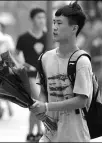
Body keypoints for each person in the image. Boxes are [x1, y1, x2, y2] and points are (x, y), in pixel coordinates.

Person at [30, 2, 92, 142]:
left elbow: (81, 100)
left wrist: (46, 106)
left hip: (75, 136)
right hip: (49, 135)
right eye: (54, 23)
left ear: (74, 28)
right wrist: (41, 109)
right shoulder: (45, 58)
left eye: (59, 23)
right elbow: (44, 92)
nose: (55, 28)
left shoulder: (81, 61)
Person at [16, 8, 47, 141]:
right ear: (32, 19)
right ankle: (38, 132)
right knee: (38, 101)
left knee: (36, 105)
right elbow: (15, 55)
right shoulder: (23, 38)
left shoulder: (49, 37)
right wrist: (24, 64)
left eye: (43, 17)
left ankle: (32, 133)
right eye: (39, 17)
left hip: (45, 76)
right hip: (31, 76)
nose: (42, 20)